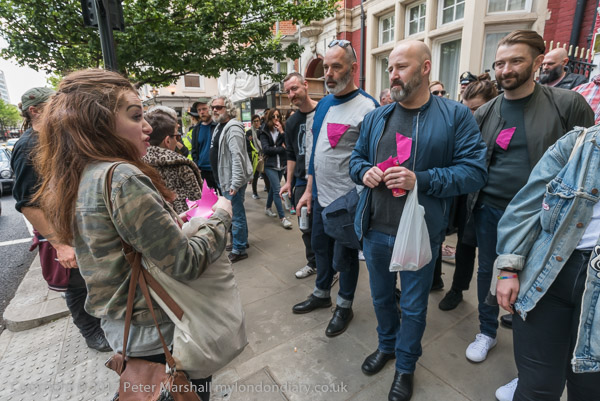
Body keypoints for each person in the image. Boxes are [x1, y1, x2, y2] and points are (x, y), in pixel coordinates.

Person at [30, 69, 233, 401]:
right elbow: (186, 263)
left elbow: (120, 240)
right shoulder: (123, 177)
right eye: (136, 116)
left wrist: (172, 220)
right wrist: (222, 216)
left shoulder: (82, 173)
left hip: (125, 327)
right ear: (98, 124)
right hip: (157, 332)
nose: (148, 127)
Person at [350, 40, 487, 401]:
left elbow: (474, 172)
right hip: (375, 230)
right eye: (390, 68)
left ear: (425, 68)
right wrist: (363, 172)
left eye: (401, 67)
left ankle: (406, 365)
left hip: (420, 233)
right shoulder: (377, 116)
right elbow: (356, 159)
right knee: (381, 298)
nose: (393, 75)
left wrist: (421, 180)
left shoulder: (455, 116)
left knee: (412, 306)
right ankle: (387, 345)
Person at [466, 29, 594, 371]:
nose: (505, 70)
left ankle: (530, 365)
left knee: (539, 281)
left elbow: (585, 163)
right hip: (491, 211)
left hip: (544, 217)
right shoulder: (485, 112)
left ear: (538, 62)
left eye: (515, 61)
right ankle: (486, 331)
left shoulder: (568, 105)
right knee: (489, 273)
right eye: (499, 63)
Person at [494, 125, 600, 401]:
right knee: (536, 386)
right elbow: (525, 206)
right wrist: (508, 269)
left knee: (589, 388)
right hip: (551, 274)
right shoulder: (577, 144)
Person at [11, 86, 111, 352]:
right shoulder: (28, 146)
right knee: (76, 285)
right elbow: (27, 204)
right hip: (62, 231)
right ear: (34, 111)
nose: (61, 108)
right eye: (53, 104)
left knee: (90, 280)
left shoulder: (56, 137)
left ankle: (101, 323)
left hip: (78, 226)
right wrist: (60, 244)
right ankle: (91, 332)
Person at [292, 39, 378, 338]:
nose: (328, 73)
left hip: (347, 203)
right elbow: (317, 151)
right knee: (320, 248)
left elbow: (372, 161)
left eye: (336, 67)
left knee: (346, 257)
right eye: (326, 67)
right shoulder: (325, 104)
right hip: (320, 197)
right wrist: (308, 190)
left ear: (353, 68)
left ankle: (344, 305)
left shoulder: (369, 108)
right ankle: (321, 293)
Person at [438, 73, 498, 311]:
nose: (470, 114)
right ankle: (456, 288)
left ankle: (489, 300)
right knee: (462, 244)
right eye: (466, 108)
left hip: (488, 196)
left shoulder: (497, 126)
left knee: (486, 253)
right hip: (462, 195)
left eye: (476, 109)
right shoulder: (459, 125)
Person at [280, 72, 319, 279]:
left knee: (327, 228)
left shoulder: (324, 111)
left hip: (325, 181)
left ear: (305, 85)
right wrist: (288, 182)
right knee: (306, 227)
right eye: (288, 91)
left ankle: (331, 267)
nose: (291, 94)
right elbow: (291, 154)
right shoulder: (292, 122)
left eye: (294, 88)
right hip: (302, 181)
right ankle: (313, 263)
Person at [209, 95, 254, 263]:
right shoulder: (219, 126)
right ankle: (240, 241)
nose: (215, 110)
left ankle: (239, 249)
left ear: (228, 109)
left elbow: (237, 157)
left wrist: (235, 183)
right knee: (236, 212)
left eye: (219, 107)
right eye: (213, 107)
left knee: (235, 215)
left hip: (231, 180)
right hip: (224, 178)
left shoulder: (233, 128)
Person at [142, 110, 203, 214]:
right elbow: (197, 203)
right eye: (177, 136)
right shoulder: (182, 166)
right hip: (183, 220)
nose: (177, 140)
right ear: (167, 141)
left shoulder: (138, 164)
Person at [259, 108, 292, 229]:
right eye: (273, 116)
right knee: (278, 190)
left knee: (273, 188)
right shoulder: (264, 131)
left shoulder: (281, 129)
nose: (276, 119)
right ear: (269, 118)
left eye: (278, 116)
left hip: (281, 164)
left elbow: (288, 144)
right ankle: (283, 218)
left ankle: (268, 208)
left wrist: (282, 131)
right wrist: (281, 149)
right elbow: (266, 149)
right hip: (270, 165)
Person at [190, 97, 219, 194]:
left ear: (210, 109)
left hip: (218, 169)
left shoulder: (218, 126)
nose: (202, 112)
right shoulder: (196, 129)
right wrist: (196, 165)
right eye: (199, 110)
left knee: (224, 198)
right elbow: (194, 150)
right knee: (209, 199)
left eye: (204, 109)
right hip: (203, 171)